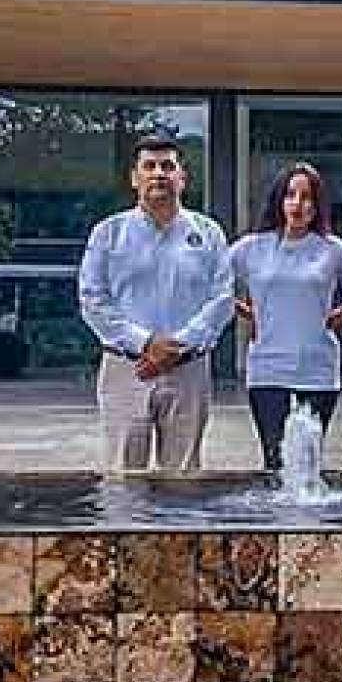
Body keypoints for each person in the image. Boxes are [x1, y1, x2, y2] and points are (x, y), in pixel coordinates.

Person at [77, 134, 233, 472]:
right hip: (127, 369)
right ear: (135, 178)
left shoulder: (208, 233)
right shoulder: (108, 233)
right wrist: (146, 343)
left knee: (184, 480)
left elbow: (222, 299)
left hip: (188, 370)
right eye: (150, 166)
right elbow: (93, 300)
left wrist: (177, 345)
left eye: (168, 166)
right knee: (122, 478)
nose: (159, 173)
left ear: (182, 177)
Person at [230, 162, 342, 471]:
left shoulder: (334, 250)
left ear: (317, 204)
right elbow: (209, 283)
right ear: (278, 201)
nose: (298, 204)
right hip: (268, 367)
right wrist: (244, 310)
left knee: (309, 461)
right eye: (290, 195)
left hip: (318, 368)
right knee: (275, 459)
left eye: (307, 197)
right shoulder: (251, 247)